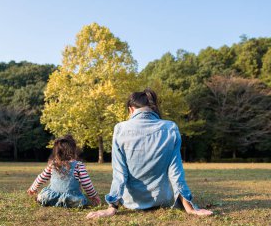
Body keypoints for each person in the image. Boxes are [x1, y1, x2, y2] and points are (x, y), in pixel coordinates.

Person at [87, 89, 213, 218]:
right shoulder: (171, 128)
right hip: (162, 200)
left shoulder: (120, 129)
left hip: (131, 202)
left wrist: (112, 207)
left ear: (130, 109)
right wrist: (190, 208)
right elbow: (176, 172)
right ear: (154, 108)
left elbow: (119, 173)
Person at [27, 135, 101, 208]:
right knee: (80, 200)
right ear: (74, 150)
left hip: (51, 197)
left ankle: (45, 199)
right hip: (71, 198)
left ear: (56, 151)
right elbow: (87, 183)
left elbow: (41, 177)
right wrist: (93, 196)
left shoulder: (53, 164)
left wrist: (32, 188)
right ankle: (67, 202)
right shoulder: (78, 165)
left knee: (42, 196)